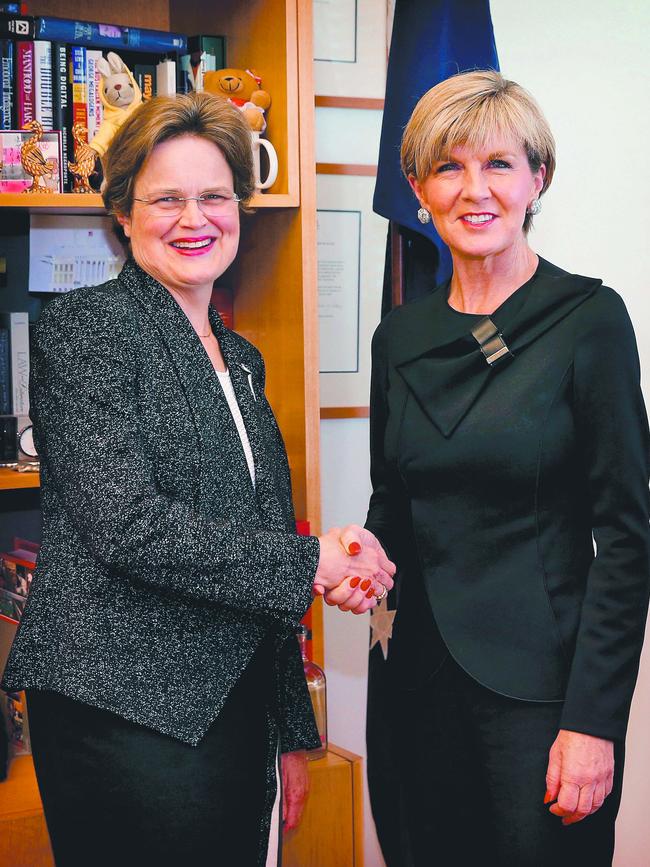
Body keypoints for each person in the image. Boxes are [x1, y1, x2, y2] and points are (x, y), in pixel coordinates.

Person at [1, 92, 394, 867]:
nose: (195, 218)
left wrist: (288, 729)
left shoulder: (241, 358)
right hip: (124, 716)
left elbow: (257, 548)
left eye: (214, 196)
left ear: (240, 209)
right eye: (167, 199)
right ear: (122, 212)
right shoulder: (88, 329)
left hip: (234, 713)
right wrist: (314, 562)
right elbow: (129, 526)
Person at [363, 70, 650, 866]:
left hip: (541, 700)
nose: (474, 189)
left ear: (537, 179)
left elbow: (627, 537)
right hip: (415, 686)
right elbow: (395, 498)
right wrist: (364, 555)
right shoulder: (399, 336)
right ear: (418, 187)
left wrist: (594, 722)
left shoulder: (590, 321)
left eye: (498, 164)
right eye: (449, 166)